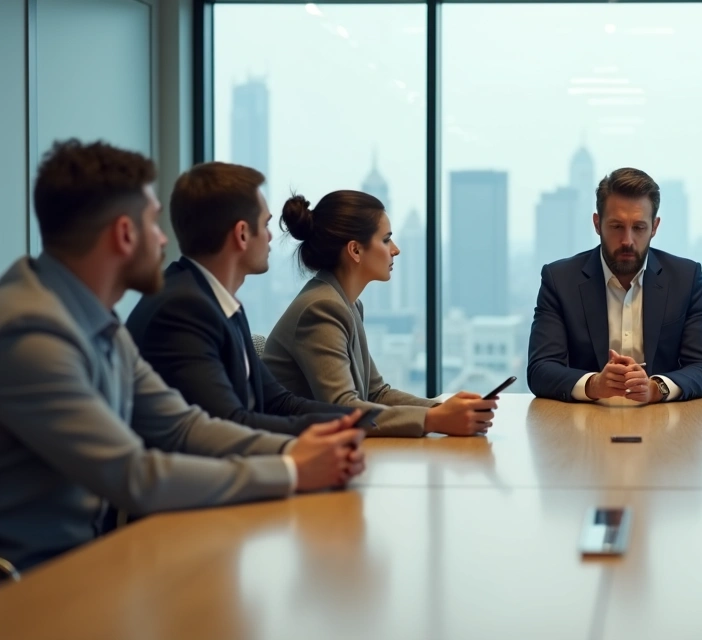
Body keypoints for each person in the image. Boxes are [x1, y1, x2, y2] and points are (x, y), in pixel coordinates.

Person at [0, 140, 364, 573]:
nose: (162, 238)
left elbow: (184, 426)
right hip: (30, 586)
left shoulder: (97, 323)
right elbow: (133, 475)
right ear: (124, 234)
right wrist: (290, 469)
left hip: (84, 565)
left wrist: (299, 449)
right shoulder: (32, 334)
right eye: (153, 223)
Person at [126, 162, 351, 435]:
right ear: (242, 234)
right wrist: (338, 428)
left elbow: (278, 402)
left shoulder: (216, 300)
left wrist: (356, 417)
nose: (270, 237)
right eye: (265, 225)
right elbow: (229, 423)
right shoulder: (183, 308)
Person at [264, 190, 496, 437]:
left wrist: (443, 410)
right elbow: (343, 408)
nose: (395, 250)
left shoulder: (346, 303)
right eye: (386, 240)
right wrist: (434, 419)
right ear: (355, 250)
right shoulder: (321, 308)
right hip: (297, 456)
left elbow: (377, 393)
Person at [527, 167, 702, 403]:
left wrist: (655, 388)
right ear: (597, 224)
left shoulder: (686, 278)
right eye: (617, 226)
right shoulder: (559, 280)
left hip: (663, 423)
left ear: (655, 227)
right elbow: (540, 370)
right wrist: (594, 384)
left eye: (639, 228)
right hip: (583, 424)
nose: (627, 240)